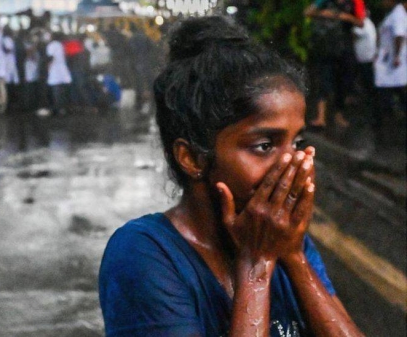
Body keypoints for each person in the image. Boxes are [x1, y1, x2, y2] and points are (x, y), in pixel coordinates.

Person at [99, 17, 365, 336]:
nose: (294, 163)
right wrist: (256, 264)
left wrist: (293, 256)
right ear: (193, 158)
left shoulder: (279, 234)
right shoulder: (144, 254)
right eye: (265, 145)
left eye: (297, 143)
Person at [304, 0, 366, 129]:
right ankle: (321, 117)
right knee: (323, 79)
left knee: (343, 82)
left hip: (344, 47)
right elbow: (307, 12)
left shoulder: (355, 2)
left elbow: (360, 22)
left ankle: (339, 115)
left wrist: (344, 16)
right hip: (326, 46)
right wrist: (325, 13)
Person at [374, 0, 407, 146]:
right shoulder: (396, 13)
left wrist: (397, 56)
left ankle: (383, 130)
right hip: (390, 63)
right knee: (397, 92)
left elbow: (399, 35)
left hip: (391, 64)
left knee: (385, 94)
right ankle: (384, 125)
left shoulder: (398, 14)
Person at [46, 32, 72, 116]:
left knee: (56, 90)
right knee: (62, 90)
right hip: (62, 68)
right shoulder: (60, 45)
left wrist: (48, 67)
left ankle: (57, 109)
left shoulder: (51, 45)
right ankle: (63, 108)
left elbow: (50, 57)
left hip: (55, 69)